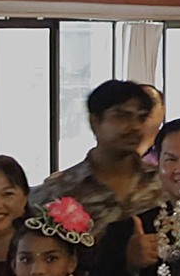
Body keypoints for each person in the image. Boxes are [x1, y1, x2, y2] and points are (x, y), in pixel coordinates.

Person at [31, 80, 162, 241]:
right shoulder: (58, 192)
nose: (135, 126)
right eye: (122, 116)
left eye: (141, 118)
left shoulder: (162, 183)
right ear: (95, 122)